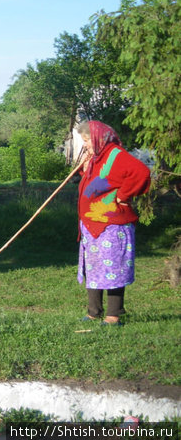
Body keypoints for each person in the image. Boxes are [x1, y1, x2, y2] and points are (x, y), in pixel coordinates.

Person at [76, 120, 151, 326]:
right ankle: (93, 311)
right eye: (84, 141)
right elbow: (99, 181)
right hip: (93, 224)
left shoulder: (115, 154)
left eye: (88, 140)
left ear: (100, 137)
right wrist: (84, 167)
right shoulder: (98, 156)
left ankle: (113, 316)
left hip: (112, 226)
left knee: (113, 269)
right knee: (94, 268)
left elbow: (142, 172)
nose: (86, 145)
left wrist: (124, 195)